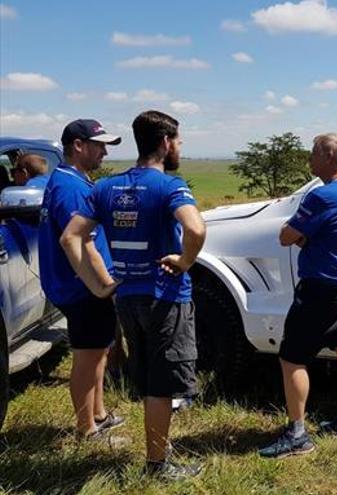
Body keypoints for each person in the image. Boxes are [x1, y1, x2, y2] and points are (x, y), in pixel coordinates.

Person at [61, 110, 206, 480]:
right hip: (165, 297)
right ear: (165, 143)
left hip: (126, 298)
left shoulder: (104, 188)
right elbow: (196, 228)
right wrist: (185, 260)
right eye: (178, 141)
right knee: (162, 383)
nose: (179, 148)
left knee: (147, 379)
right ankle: (157, 464)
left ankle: (159, 451)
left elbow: (70, 237)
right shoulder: (170, 186)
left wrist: (98, 285)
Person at [259, 133, 337, 458]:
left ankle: (297, 435)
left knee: (292, 358)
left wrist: (299, 238)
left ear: (328, 157)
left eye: (314, 153)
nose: (309, 159)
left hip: (319, 287)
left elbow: (286, 236)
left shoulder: (322, 195)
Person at [38, 119, 124, 440]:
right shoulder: (71, 188)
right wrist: (104, 286)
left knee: (98, 350)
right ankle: (87, 429)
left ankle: (98, 414)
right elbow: (80, 243)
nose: (104, 152)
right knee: (87, 357)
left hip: (85, 287)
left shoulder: (71, 180)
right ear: (78, 145)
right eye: (99, 145)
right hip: (84, 288)